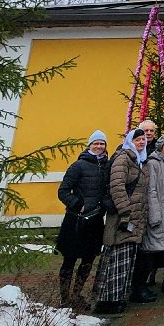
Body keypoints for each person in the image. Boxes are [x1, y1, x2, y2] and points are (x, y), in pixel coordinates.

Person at [93, 130, 149, 315]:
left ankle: (117, 297)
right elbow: (117, 186)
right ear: (129, 141)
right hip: (121, 218)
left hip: (134, 217)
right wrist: (125, 210)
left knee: (125, 260)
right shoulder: (123, 158)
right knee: (115, 258)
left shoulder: (140, 160)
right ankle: (107, 300)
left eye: (143, 140)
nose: (141, 142)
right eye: (138, 139)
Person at [56, 130, 108, 309]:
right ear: (90, 145)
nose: (99, 146)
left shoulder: (106, 165)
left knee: (88, 260)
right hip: (76, 221)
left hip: (94, 221)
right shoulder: (78, 166)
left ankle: (76, 295)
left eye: (102, 143)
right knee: (69, 260)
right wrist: (78, 205)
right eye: (96, 143)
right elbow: (63, 190)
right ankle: (64, 299)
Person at [132, 133, 164, 301]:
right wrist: (155, 216)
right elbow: (151, 190)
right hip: (158, 215)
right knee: (149, 253)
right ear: (160, 147)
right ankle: (139, 288)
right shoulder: (153, 164)